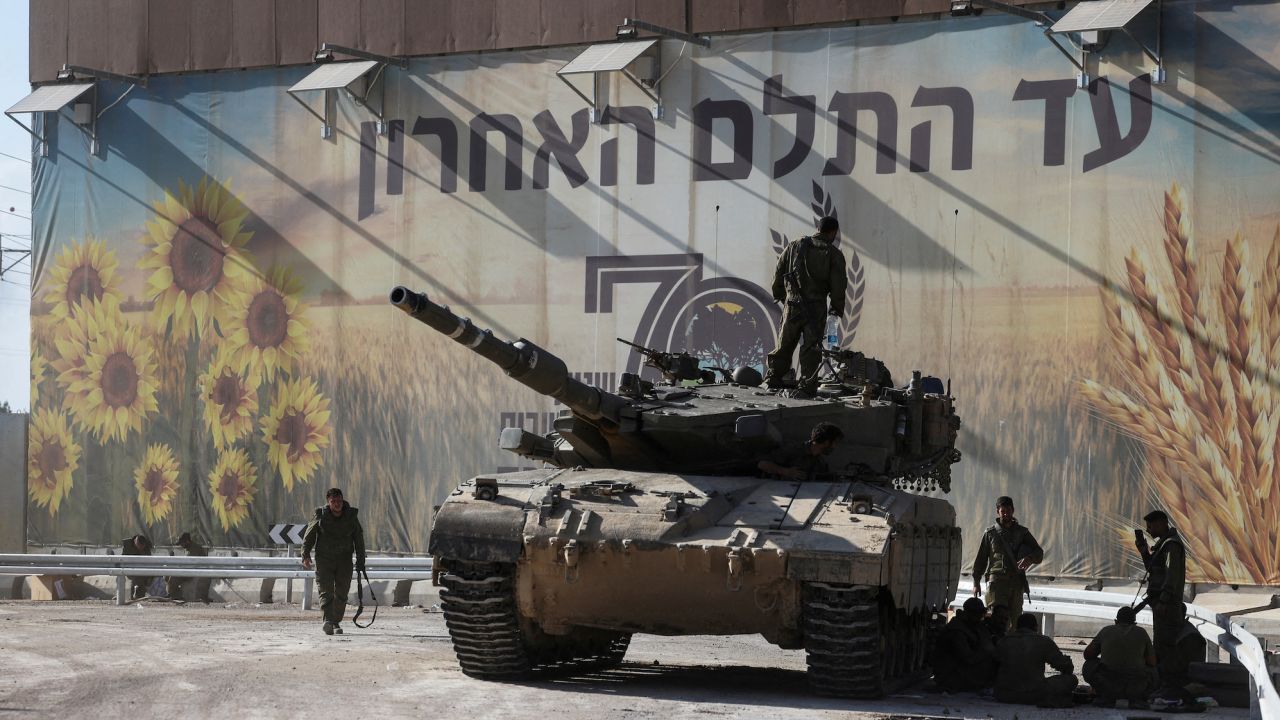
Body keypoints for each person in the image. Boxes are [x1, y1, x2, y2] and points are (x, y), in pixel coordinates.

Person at [764, 215, 847, 395]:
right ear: (833, 232)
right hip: (815, 309)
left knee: (784, 344)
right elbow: (838, 287)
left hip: (792, 304)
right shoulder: (834, 255)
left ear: (818, 228)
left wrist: (780, 295)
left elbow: (779, 272)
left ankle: (773, 379)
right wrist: (836, 310)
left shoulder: (795, 245)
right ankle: (806, 387)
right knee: (811, 349)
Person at [1136, 509, 1188, 702]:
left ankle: (1170, 686)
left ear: (1161, 523)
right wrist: (1143, 552)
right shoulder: (1163, 545)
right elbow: (1154, 569)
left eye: (1150, 526)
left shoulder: (1171, 545)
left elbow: (1172, 574)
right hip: (1160, 603)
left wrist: (1164, 600)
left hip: (1167, 605)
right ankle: (1163, 684)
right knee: (1160, 643)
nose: (1148, 530)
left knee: (1166, 645)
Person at [302, 488, 366, 636]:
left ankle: (336, 621)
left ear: (343, 500)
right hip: (324, 559)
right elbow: (309, 535)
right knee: (326, 591)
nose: (337, 504)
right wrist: (305, 554)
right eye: (333, 502)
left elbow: (359, 539)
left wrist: (361, 560)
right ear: (328, 502)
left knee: (342, 592)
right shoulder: (321, 515)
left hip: (344, 560)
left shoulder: (351, 516)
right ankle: (328, 621)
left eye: (339, 501)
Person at [972, 496, 1043, 630]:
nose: (1006, 514)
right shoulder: (990, 534)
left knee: (1015, 621)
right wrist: (976, 582)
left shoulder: (1022, 533)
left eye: (1008, 511)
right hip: (997, 583)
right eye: (1003, 511)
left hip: (1016, 583)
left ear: (1013, 510)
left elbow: (1039, 553)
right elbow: (981, 559)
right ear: (997, 511)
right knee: (997, 620)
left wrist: (1029, 558)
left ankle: (1011, 648)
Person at [994, 613, 1078, 707]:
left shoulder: (1003, 641)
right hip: (1035, 694)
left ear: (1016, 627)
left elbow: (993, 667)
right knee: (1072, 679)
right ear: (1036, 627)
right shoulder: (1043, 641)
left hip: (1005, 695)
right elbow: (1066, 667)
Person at [1083, 605, 1156, 708]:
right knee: (1155, 671)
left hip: (1107, 685)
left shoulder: (1106, 630)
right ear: (1135, 623)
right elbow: (1152, 662)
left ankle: (1105, 696)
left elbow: (1087, 655)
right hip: (1136, 687)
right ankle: (1139, 698)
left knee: (1089, 665)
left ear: (1116, 621)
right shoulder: (1141, 632)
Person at [931, 597, 997, 693]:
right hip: (952, 676)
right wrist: (987, 651)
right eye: (977, 614)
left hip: (961, 673)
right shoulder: (956, 630)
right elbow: (968, 658)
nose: (980, 617)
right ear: (969, 613)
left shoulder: (973, 626)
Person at [756, 422, 844, 481]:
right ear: (826, 442)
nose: (835, 446)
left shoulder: (820, 462)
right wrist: (786, 471)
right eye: (835, 443)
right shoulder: (794, 450)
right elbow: (762, 464)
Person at [166, 532, 212, 603]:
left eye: (182, 543)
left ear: (187, 541)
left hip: (195, 572)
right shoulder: (189, 548)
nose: (181, 545)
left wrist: (179, 568)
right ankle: (174, 594)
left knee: (173, 577)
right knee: (167, 575)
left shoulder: (195, 548)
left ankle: (174, 595)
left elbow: (191, 564)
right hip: (190, 570)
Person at [121, 533, 153, 600]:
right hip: (130, 568)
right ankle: (136, 596)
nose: (141, 548)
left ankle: (139, 596)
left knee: (147, 578)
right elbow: (123, 559)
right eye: (140, 546)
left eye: (142, 547)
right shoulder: (128, 545)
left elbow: (149, 560)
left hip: (143, 569)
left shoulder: (147, 546)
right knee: (138, 578)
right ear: (136, 542)